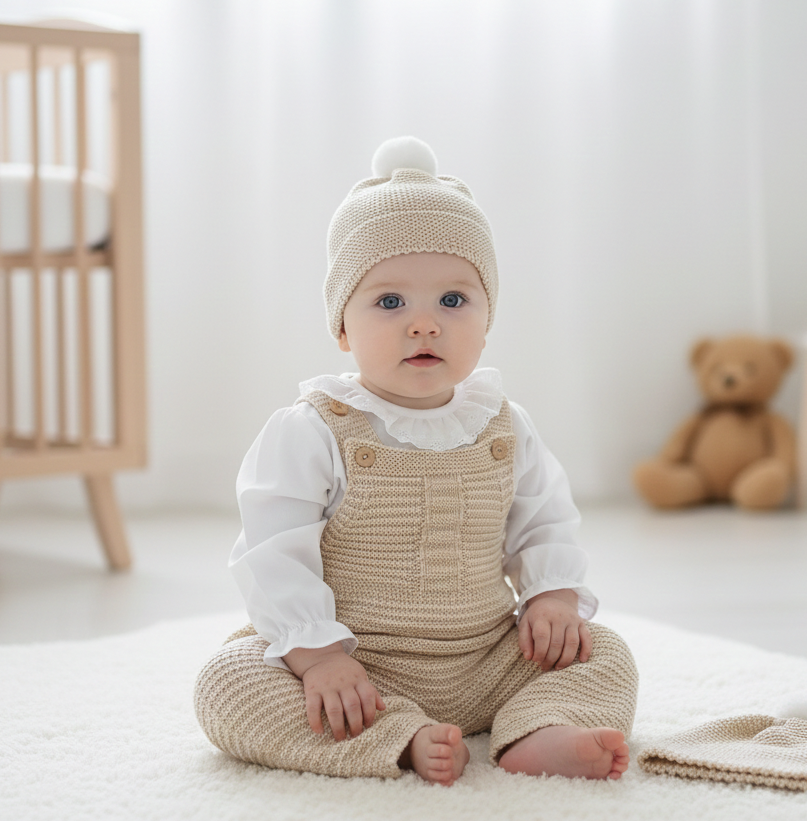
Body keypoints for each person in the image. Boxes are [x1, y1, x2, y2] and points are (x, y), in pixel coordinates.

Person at [194, 136, 639, 786]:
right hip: (358, 669)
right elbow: (271, 553)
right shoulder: (314, 428)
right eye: (389, 302)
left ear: (487, 320)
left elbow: (544, 521)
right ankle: (398, 738)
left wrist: (551, 595)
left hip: (487, 659)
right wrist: (318, 656)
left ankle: (539, 726)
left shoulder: (503, 424)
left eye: (453, 301)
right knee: (226, 683)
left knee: (605, 651)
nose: (424, 324)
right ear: (341, 327)